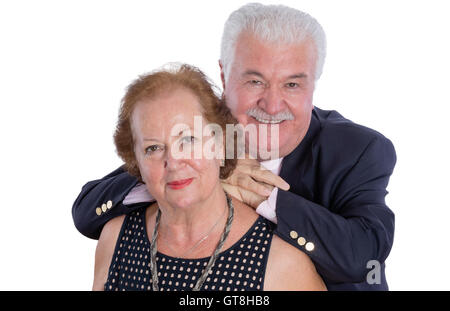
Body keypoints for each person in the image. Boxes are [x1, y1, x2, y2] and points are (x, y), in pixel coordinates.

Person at [74, 3, 396, 290]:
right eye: (254, 81)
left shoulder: (359, 150)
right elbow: (86, 211)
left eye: (292, 84)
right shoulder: (199, 125)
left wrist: (263, 196)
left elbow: (365, 257)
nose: (271, 105)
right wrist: (202, 174)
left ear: (315, 83)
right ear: (224, 76)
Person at [92, 64, 326, 291]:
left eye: (188, 140)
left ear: (221, 143)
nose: (173, 162)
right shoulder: (115, 240)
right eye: (153, 148)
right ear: (135, 161)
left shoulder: (281, 263)